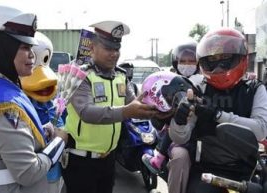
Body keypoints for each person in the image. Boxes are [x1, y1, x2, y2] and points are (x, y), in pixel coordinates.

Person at [0, 5, 68, 193]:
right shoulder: (4, 104)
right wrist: (59, 141)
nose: (32, 54)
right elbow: (28, 172)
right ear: (1, 49)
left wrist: (43, 132)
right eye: (24, 46)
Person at [61, 20, 159, 193]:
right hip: (81, 162)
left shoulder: (121, 76)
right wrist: (126, 111)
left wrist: (160, 109)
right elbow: (86, 112)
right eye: (108, 48)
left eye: (116, 49)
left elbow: (135, 105)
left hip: (108, 160)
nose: (114, 54)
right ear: (92, 48)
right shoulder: (80, 75)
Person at [168, 28, 267, 193]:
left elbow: (261, 130)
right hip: (207, 169)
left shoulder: (255, 89)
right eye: (213, 59)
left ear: (241, 58)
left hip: (247, 170)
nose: (219, 66)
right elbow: (181, 136)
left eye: (225, 58)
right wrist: (179, 121)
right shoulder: (199, 89)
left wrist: (218, 115)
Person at [141, 40, 200, 176]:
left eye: (191, 61)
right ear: (175, 62)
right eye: (183, 61)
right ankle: (159, 159)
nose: (187, 65)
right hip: (175, 134)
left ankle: (158, 159)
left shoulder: (200, 81)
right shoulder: (170, 81)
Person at [20, 31, 65, 193]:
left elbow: (61, 123)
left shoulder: (52, 100)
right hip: (30, 170)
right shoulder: (14, 100)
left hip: (53, 169)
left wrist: (59, 130)